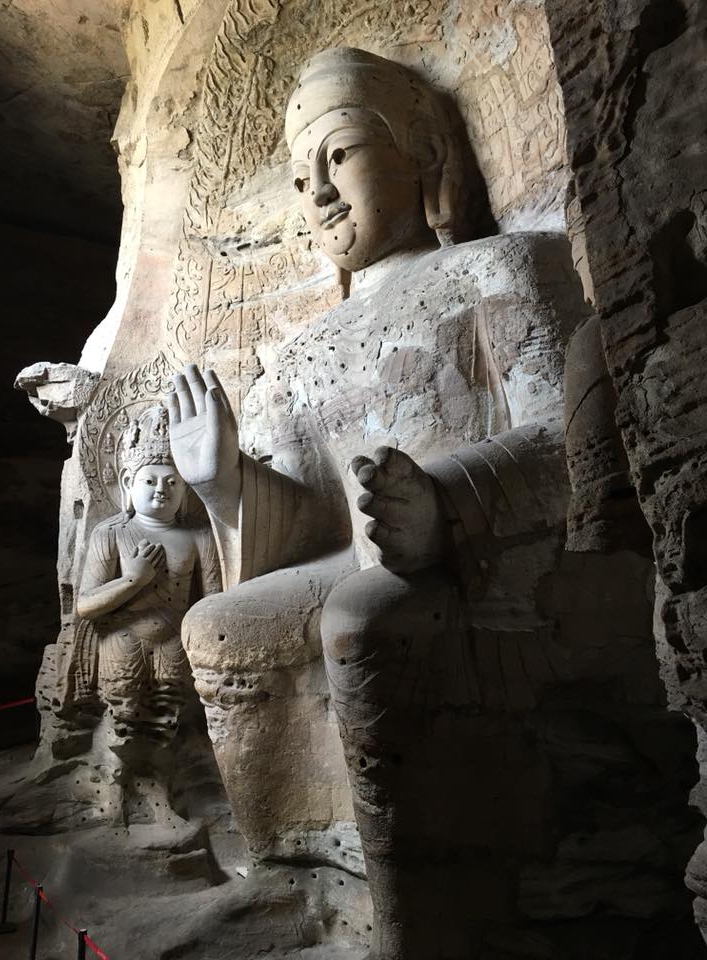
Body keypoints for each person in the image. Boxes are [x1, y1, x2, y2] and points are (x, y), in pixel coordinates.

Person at [167, 48, 588, 957]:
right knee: (217, 626)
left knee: (364, 619)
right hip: (363, 549)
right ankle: (300, 877)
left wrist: (445, 500)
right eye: (300, 174)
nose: (316, 191)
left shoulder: (500, 268)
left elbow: (567, 431)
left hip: (485, 550)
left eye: (341, 154)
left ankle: (417, 917)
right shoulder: (304, 351)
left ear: (422, 155)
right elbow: (305, 517)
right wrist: (221, 481)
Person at [76, 404, 220, 812]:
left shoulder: (198, 538)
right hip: (123, 640)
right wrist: (133, 579)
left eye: (172, 481)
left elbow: (210, 601)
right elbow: (87, 606)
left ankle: (157, 792)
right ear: (126, 482)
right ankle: (112, 787)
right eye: (151, 479)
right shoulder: (112, 533)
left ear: (186, 488)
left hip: (174, 643)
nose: (162, 488)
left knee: (163, 722)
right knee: (123, 719)